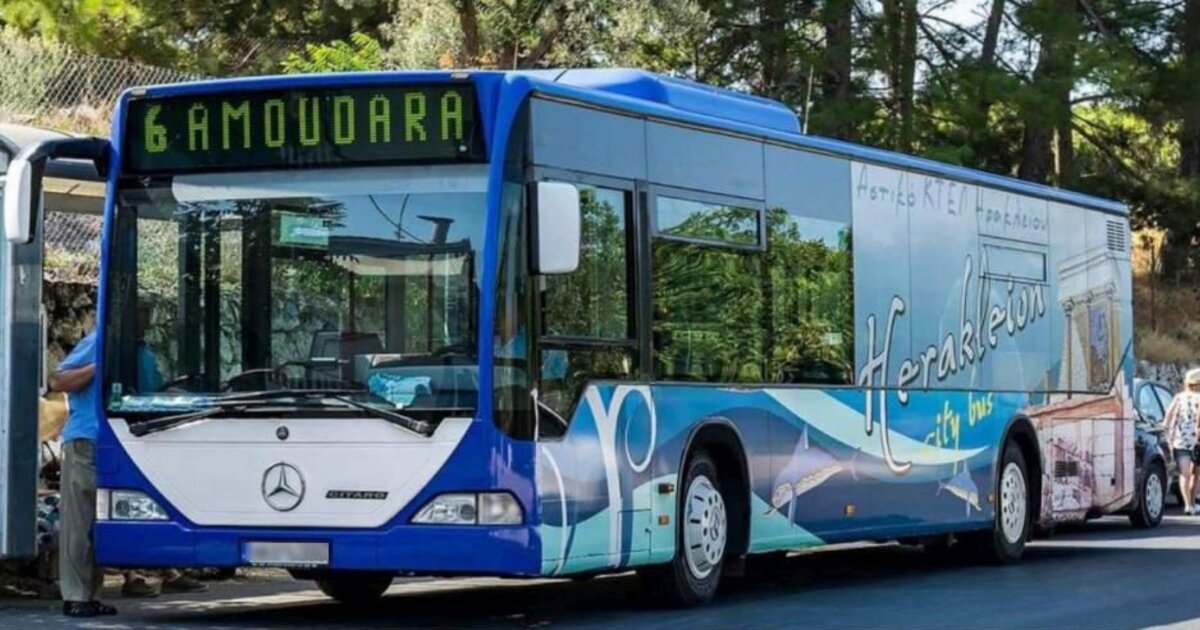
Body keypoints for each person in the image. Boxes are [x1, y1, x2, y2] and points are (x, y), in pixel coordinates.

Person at [52, 326, 205, 618]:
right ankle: (76, 597)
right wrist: (101, 366)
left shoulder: (144, 353)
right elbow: (60, 380)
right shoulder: (100, 340)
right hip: (87, 439)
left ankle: (90, 595)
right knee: (79, 522)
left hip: (126, 439)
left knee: (98, 522)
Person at [1164, 368, 1200, 515]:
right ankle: (1193, 503)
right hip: (1197, 441)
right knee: (1195, 474)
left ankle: (1187, 505)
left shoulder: (1179, 397)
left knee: (1184, 475)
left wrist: (1166, 431)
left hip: (1180, 440)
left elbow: (1169, 415)